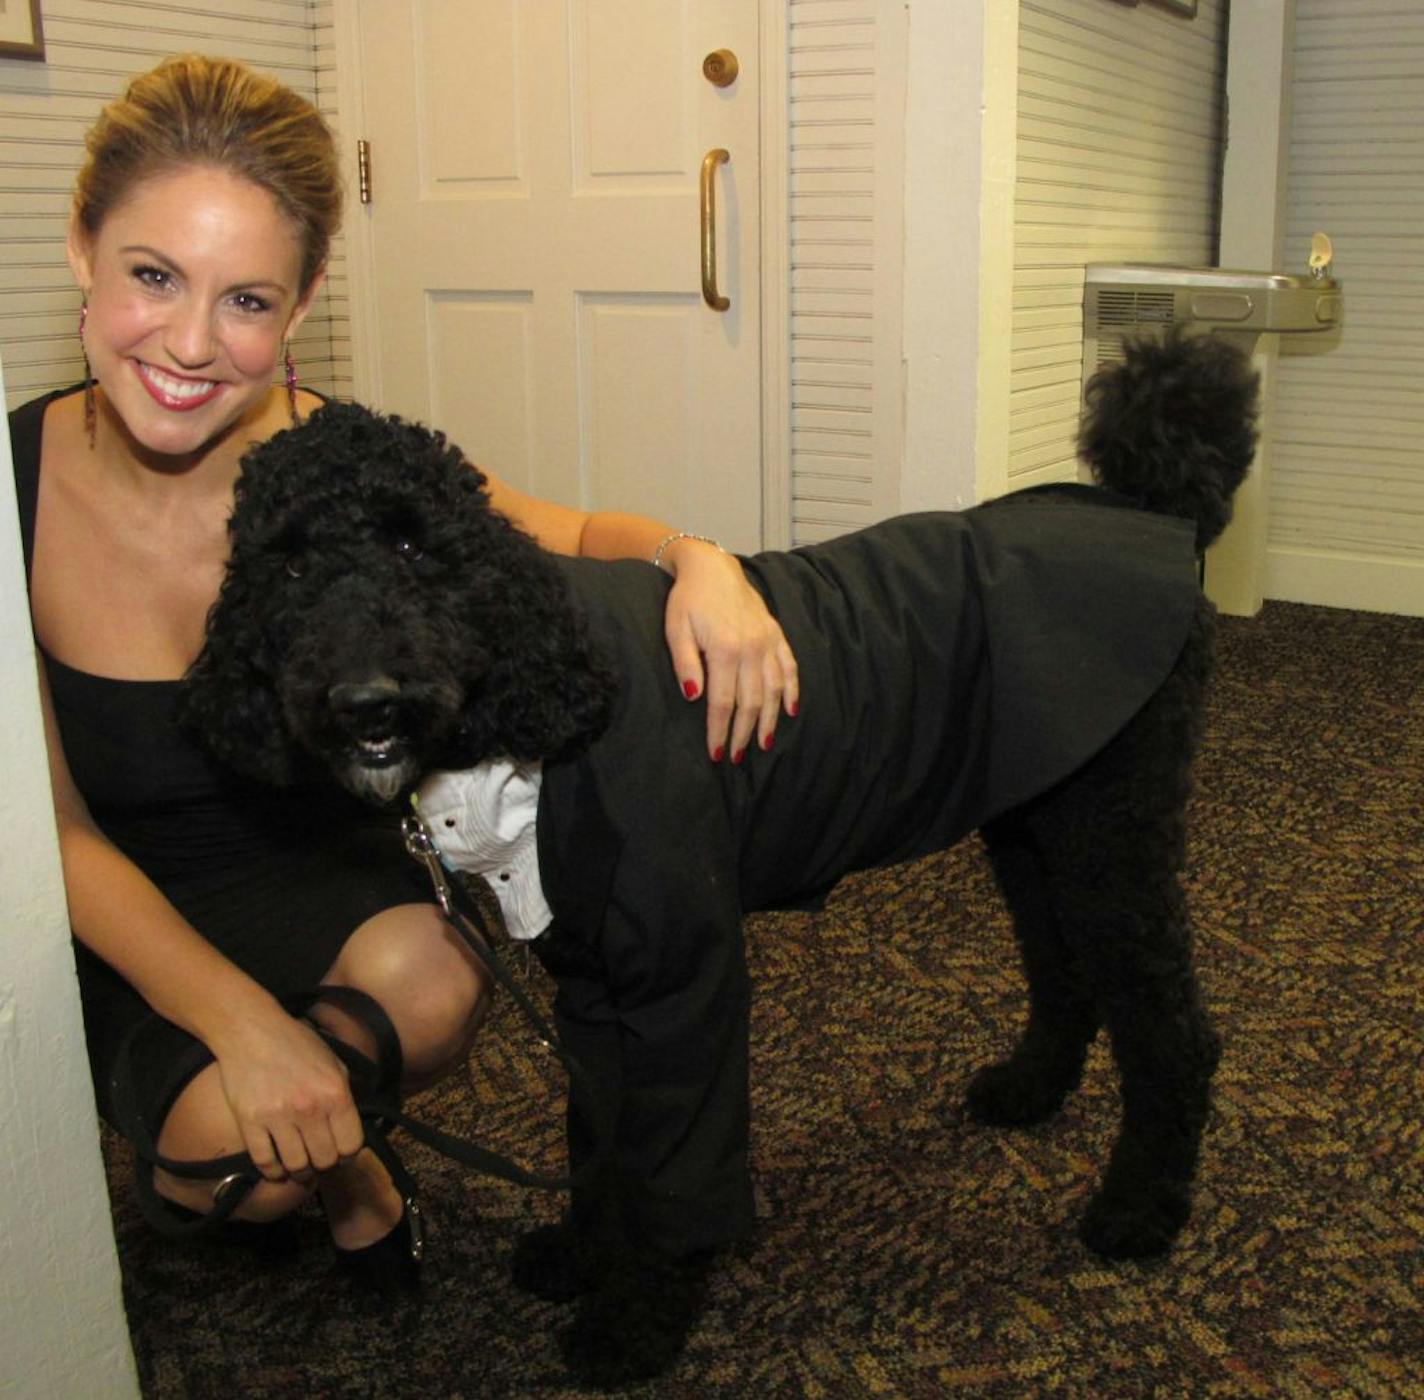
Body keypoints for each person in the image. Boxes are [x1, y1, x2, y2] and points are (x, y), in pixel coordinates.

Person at [9, 53, 797, 1287]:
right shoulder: (7, 488)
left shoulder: (337, 463)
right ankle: (349, 1165)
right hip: (123, 901)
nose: (189, 343)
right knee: (232, 1168)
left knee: (429, 985)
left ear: (306, 298)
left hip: (311, 864)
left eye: (247, 301)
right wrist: (244, 1027)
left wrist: (700, 564)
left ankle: (335, 1130)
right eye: (152, 276)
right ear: (80, 247)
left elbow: (574, 532)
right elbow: (54, 831)